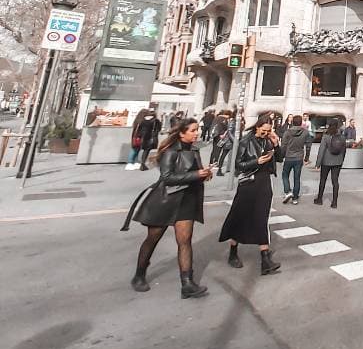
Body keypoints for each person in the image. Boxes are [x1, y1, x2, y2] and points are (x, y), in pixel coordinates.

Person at [125, 118, 212, 298]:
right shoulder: (170, 151)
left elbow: (194, 173)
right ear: (182, 133)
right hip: (165, 200)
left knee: (184, 241)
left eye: (197, 130)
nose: (197, 133)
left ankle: (187, 284)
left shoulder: (194, 150)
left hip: (187, 200)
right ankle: (139, 275)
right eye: (193, 130)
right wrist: (196, 174)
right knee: (153, 239)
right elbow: (167, 178)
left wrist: (204, 175)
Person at [218, 113, 283, 275]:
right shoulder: (245, 142)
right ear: (257, 127)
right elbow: (238, 164)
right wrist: (256, 161)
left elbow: (280, 158)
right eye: (263, 131)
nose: (266, 134)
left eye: (268, 131)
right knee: (240, 216)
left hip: (264, 182)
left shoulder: (269, 140)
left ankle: (265, 259)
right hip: (248, 182)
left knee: (262, 217)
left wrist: (276, 145)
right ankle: (233, 251)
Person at [314, 118, 346, 206]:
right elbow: (344, 150)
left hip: (326, 161)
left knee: (323, 180)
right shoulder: (342, 137)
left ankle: (319, 199)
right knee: (335, 181)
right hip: (337, 161)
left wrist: (318, 163)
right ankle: (334, 202)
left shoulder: (326, 136)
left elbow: (321, 150)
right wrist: (341, 160)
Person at [281, 114, 310, 204]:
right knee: (296, 178)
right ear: (301, 123)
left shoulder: (288, 132)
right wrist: (306, 158)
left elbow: (283, 145)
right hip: (299, 157)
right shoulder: (305, 132)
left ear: (293, 122)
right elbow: (308, 145)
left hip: (289, 156)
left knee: (285, 175)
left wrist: (281, 156)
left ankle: (287, 191)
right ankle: (295, 198)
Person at [126, 105, 160, 170]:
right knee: (134, 150)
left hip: (136, 136)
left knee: (136, 150)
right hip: (138, 137)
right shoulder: (142, 120)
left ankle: (134, 162)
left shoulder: (138, 120)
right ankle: (130, 163)